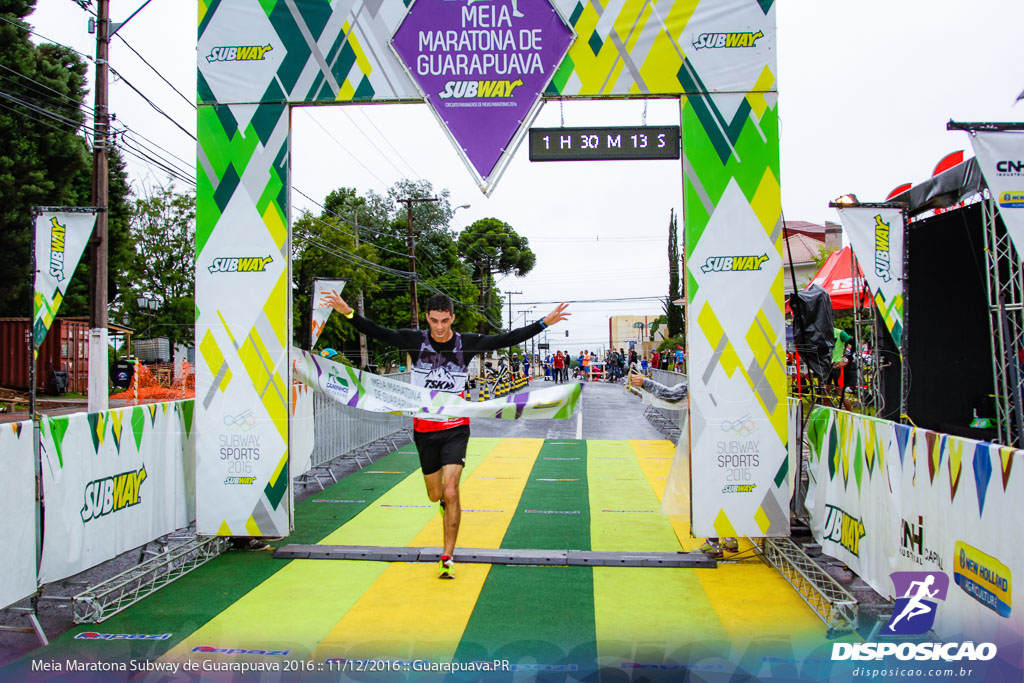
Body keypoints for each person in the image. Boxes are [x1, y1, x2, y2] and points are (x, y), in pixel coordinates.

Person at [326, 292, 570, 579]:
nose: (439, 326)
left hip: (455, 427)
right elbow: (378, 331)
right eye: (433, 320)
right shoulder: (415, 341)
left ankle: (447, 556)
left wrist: (543, 323)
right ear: (427, 318)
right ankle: (445, 506)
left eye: (444, 320)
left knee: (452, 491)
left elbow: (507, 339)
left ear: (452, 318)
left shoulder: (466, 343)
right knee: (436, 495)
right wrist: (348, 313)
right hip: (424, 429)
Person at [628, 372, 737, 559]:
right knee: (725, 488)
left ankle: (713, 542)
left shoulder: (702, 375)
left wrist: (645, 383)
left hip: (705, 441)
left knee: (706, 490)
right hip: (732, 442)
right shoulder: (732, 378)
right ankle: (730, 536)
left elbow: (672, 395)